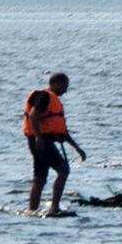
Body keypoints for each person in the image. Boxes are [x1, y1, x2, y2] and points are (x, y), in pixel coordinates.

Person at [22, 72, 86, 213]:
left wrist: (77, 148)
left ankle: (32, 210)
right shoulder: (43, 96)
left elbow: (62, 131)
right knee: (63, 170)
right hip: (40, 142)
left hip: (42, 142)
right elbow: (33, 116)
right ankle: (54, 207)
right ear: (57, 83)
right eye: (65, 86)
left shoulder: (53, 100)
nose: (66, 90)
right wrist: (39, 137)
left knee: (40, 178)